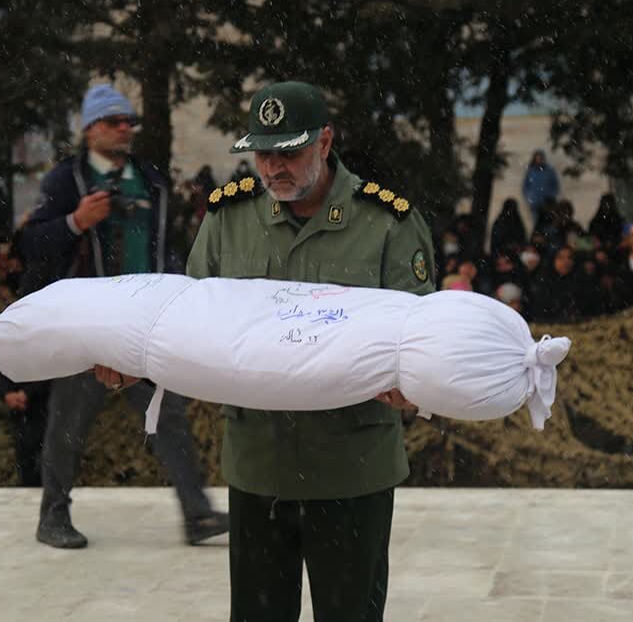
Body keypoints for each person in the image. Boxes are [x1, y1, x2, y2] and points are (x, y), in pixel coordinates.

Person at [96, 81, 436, 621]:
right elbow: (189, 323)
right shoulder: (230, 219)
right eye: (263, 154)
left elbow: (424, 343)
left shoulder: (385, 223)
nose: (273, 167)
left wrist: (414, 392)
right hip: (258, 466)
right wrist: (137, 365)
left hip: (351, 469)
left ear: (325, 142)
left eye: (290, 152)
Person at [20, 84, 226, 548]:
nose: (124, 130)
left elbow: (164, 246)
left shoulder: (150, 180)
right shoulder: (64, 182)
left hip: (143, 322)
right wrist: (77, 221)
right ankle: (53, 516)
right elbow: (31, 245)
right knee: (69, 423)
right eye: (113, 122)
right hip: (87, 323)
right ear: (91, 128)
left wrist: (180, 292)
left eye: (128, 122)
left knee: (168, 415)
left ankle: (197, 514)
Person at [522, 149, 560, 223]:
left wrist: (551, 196)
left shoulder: (550, 171)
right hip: (535, 203)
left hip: (548, 203)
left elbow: (556, 185)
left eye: (540, 158)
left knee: (549, 222)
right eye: (537, 158)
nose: (539, 160)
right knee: (537, 223)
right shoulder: (531, 171)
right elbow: (525, 187)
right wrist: (529, 197)